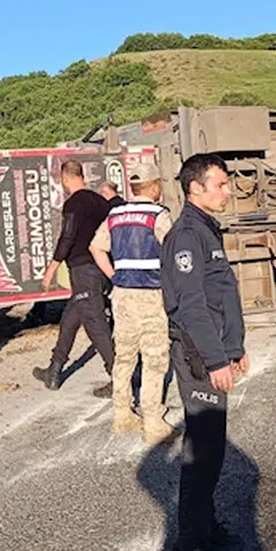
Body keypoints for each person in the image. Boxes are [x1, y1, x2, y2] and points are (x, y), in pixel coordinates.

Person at [160, 153, 250, 551]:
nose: (228, 191)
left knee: (212, 448)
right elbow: (191, 306)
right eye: (220, 184)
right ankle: (189, 547)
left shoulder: (206, 231)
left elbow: (222, 298)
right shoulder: (186, 237)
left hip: (213, 351)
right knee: (202, 451)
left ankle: (207, 528)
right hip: (197, 355)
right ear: (195, 189)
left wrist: (235, 347)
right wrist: (216, 359)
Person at [90, 163, 177, 445]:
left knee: (124, 356)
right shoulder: (158, 215)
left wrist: (114, 276)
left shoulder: (115, 214)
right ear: (153, 186)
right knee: (154, 358)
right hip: (151, 294)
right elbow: (174, 252)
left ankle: (121, 414)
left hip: (123, 294)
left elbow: (96, 247)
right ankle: (152, 422)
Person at [33, 159, 115, 397]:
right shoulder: (102, 203)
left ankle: (120, 377)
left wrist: (51, 268)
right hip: (102, 267)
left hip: (83, 268)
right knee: (70, 318)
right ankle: (54, 370)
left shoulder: (73, 204)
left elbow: (67, 236)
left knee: (95, 323)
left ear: (65, 179)